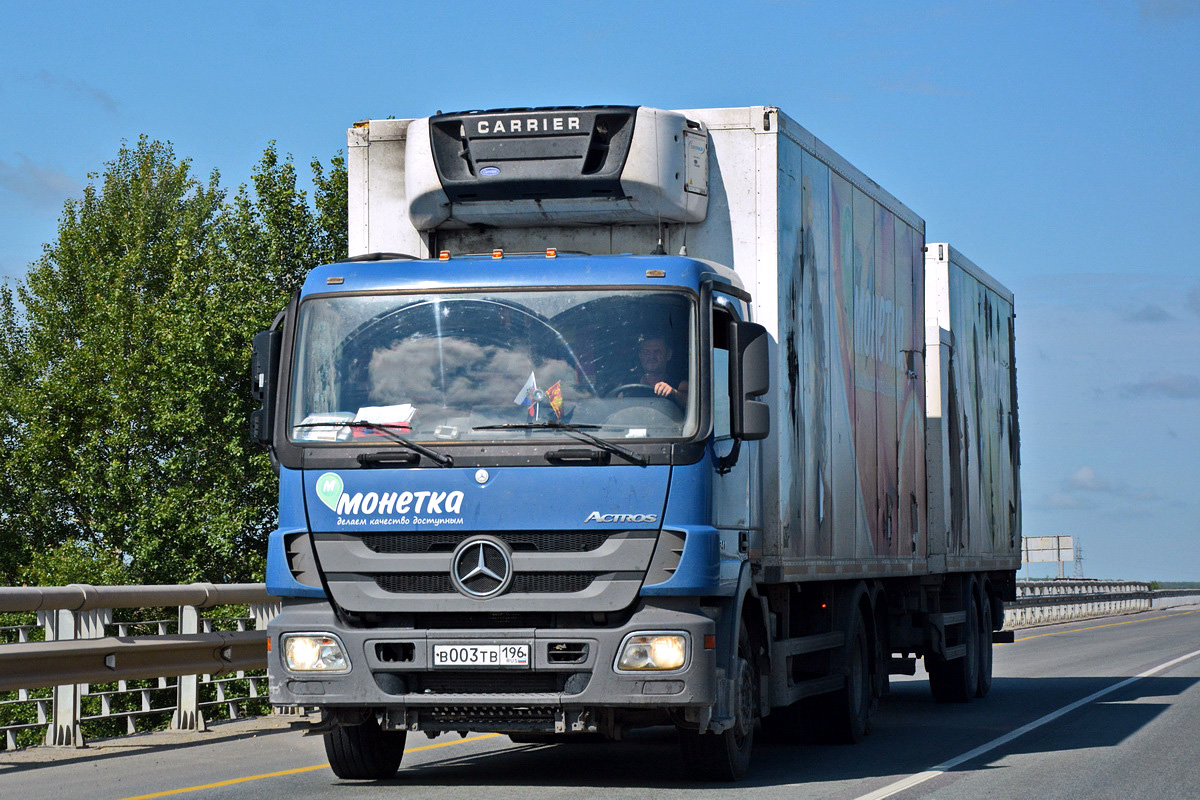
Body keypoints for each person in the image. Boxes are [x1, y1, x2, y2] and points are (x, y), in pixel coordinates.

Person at [623, 336, 687, 406]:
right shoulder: (628, 384)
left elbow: (691, 402)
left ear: (668, 355)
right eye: (646, 352)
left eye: (657, 351)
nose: (651, 356)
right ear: (640, 356)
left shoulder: (678, 383)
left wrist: (673, 393)